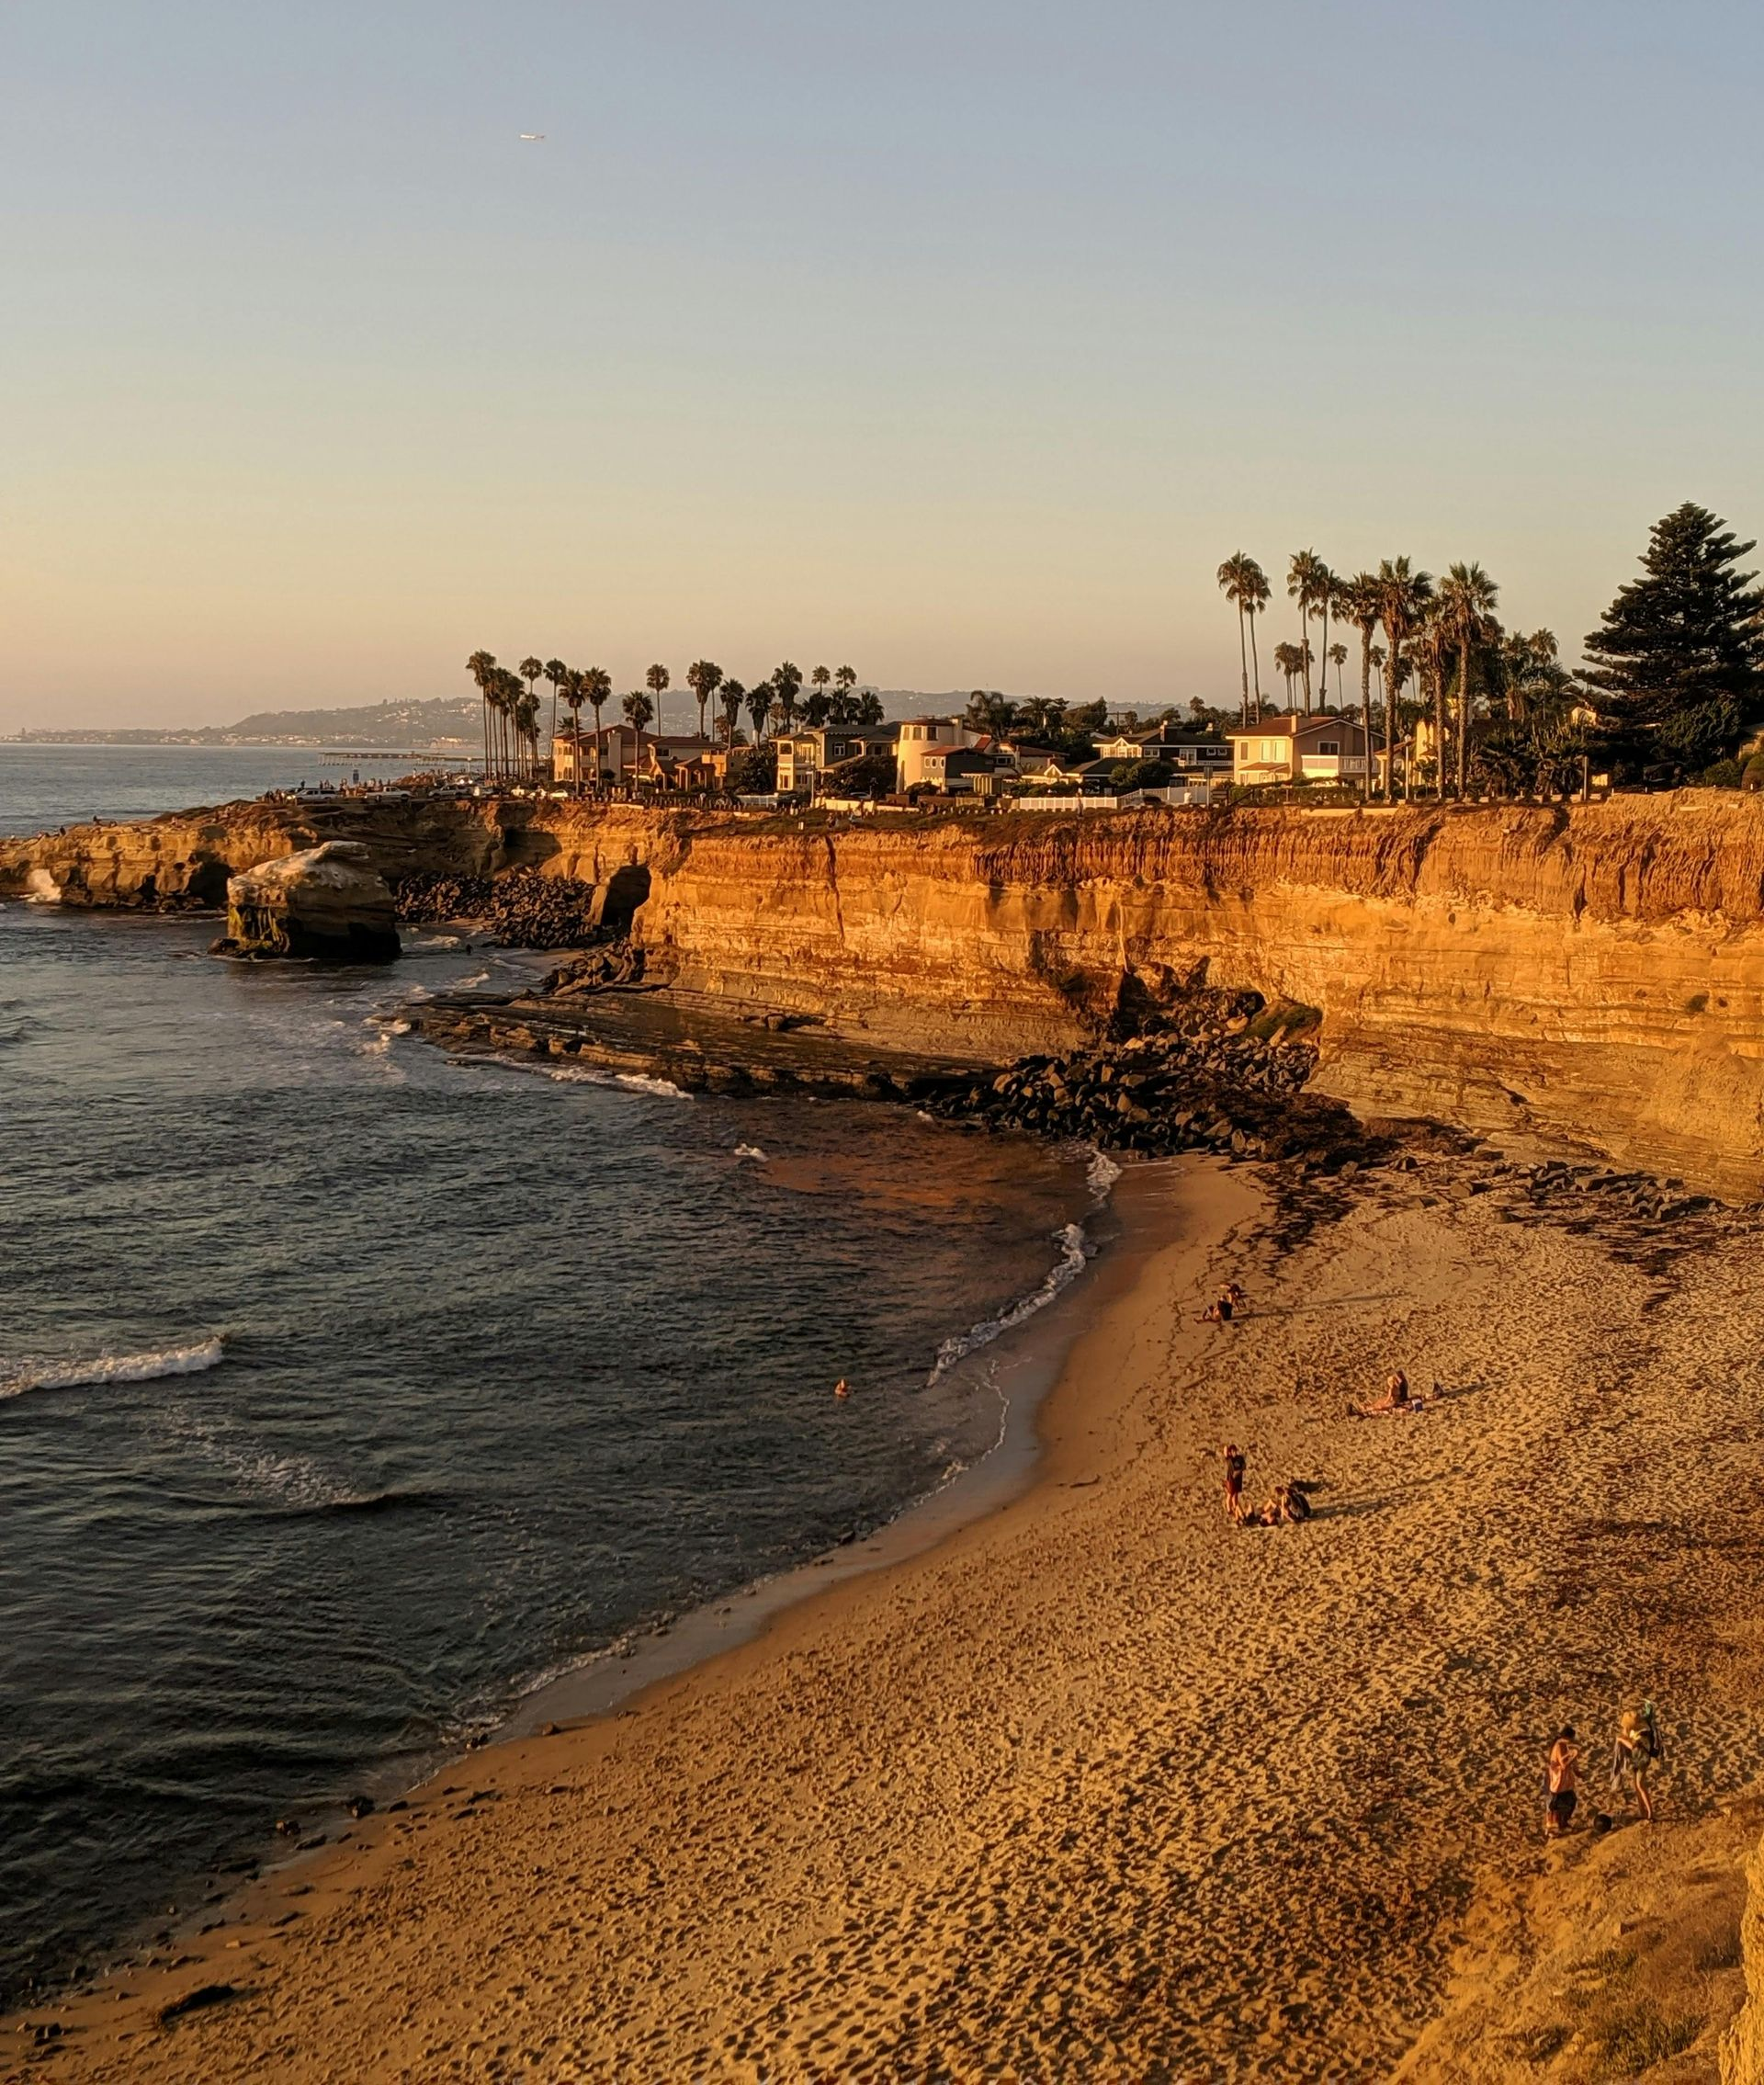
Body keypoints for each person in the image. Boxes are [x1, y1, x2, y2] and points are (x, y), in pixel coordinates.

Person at [1611, 1705, 1661, 1822]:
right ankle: (1642, 1812)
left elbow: (1632, 1746)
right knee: (1637, 1786)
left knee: (1640, 1785)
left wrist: (1620, 1739)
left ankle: (1650, 1813)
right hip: (1637, 1760)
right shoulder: (1639, 1731)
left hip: (1642, 1761)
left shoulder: (1642, 1734)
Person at [1545, 1725, 1580, 1838]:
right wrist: (1574, 1755)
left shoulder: (1563, 1745)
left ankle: (1562, 1824)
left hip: (1564, 1783)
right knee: (1557, 1807)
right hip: (1559, 1783)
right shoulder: (1560, 1746)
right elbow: (1564, 1764)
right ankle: (1555, 1828)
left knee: (1570, 1801)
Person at [1352, 1369, 1423, 1418]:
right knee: (1377, 1406)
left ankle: (1361, 1411)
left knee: (1377, 1407)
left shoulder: (1391, 1389)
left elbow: (1388, 1398)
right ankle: (1362, 1410)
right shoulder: (1399, 1386)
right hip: (1395, 1401)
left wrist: (1384, 1403)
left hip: (1392, 1402)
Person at [1221, 1444, 1247, 1524]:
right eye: (1232, 1451)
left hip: (1238, 1481)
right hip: (1231, 1481)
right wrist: (1228, 1449)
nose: (1234, 1452)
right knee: (1230, 1498)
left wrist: (1238, 1472)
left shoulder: (1240, 1458)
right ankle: (1233, 1513)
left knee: (1235, 1500)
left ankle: (1238, 1516)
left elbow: (1244, 1466)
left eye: (1235, 1451)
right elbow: (1225, 1450)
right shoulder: (1230, 1459)